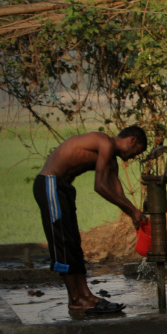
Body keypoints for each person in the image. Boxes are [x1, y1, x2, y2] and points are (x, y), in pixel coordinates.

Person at [33, 126, 148, 315]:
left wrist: (134, 212)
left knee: (74, 243)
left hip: (63, 188)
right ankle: (76, 299)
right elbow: (100, 186)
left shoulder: (111, 160)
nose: (135, 156)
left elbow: (116, 190)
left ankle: (86, 295)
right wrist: (131, 211)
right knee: (64, 242)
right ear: (132, 140)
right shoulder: (104, 142)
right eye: (138, 151)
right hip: (50, 184)